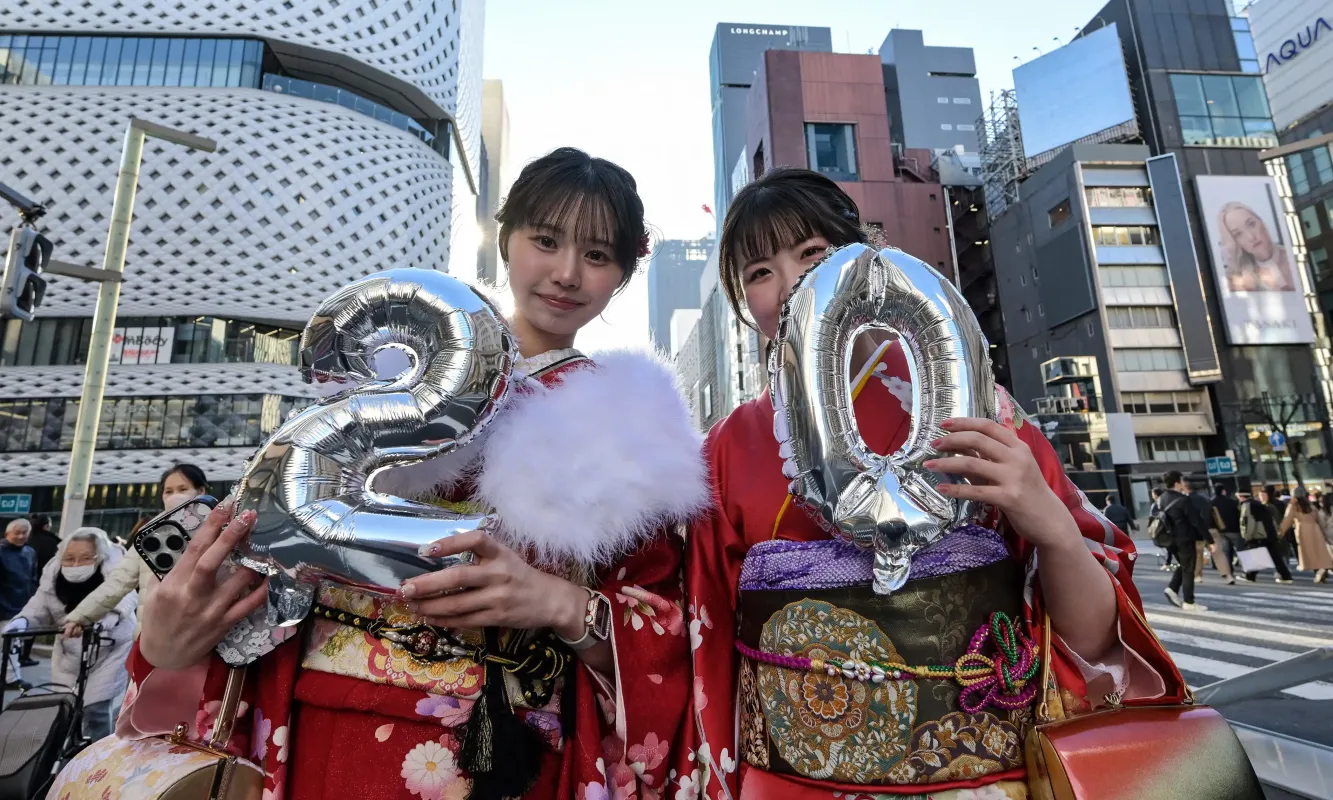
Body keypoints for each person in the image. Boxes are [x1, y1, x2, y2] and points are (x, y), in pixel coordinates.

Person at [114, 148, 705, 800]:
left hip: (500, 742)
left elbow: (665, 616)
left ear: (623, 273)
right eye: (545, 241)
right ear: (504, 237)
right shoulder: (390, 373)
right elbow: (271, 543)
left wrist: (565, 605)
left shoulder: (632, 425)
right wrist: (172, 637)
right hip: (323, 719)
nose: (566, 273)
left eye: (597, 256)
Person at [684, 168, 1184, 800]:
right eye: (760, 273)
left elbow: (1091, 641)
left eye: (814, 253)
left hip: (973, 779)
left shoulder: (981, 409)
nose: (792, 286)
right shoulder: (726, 448)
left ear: (866, 258)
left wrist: (1051, 528)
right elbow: (705, 640)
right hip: (792, 783)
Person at [0, 528, 136, 740]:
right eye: (70, 558)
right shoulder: (54, 572)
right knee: (65, 708)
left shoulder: (115, 565)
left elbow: (124, 595)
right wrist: (23, 621)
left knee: (96, 709)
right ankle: (67, 756)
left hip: (110, 646)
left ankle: (95, 759)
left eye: (84, 558)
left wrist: (110, 618)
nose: (75, 565)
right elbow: (41, 604)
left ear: (99, 556)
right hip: (69, 648)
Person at [63, 464, 208, 639]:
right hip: (152, 637)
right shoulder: (148, 534)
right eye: (168, 491)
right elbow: (119, 581)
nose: (175, 496)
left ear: (201, 491)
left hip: (202, 635)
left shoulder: (218, 528)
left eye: (183, 489)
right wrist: (80, 617)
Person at [1218, 201, 1296, 292]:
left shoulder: (1296, 256)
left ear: (1261, 222)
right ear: (1235, 242)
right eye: (1238, 234)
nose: (1251, 237)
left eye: (1251, 224)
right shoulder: (1239, 280)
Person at [1160, 472, 1210, 610]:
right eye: (1181, 481)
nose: (1183, 484)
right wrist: (1209, 540)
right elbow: (1196, 521)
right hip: (1185, 538)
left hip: (1169, 539)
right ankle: (1189, 601)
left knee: (1184, 565)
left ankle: (1172, 588)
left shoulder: (1162, 498)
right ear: (1177, 483)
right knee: (1189, 568)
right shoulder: (1183, 500)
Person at [19, 513, 61, 666]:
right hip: (42, 588)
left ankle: (15, 654)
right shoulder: (53, 543)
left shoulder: (25, 542)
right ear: (46, 526)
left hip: (22, 588)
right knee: (34, 620)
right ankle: (24, 655)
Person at [1279, 489, 1333, 583]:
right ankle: (1321, 570)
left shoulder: (1293, 506)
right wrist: (1322, 531)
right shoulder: (1310, 505)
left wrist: (1280, 532)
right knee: (1318, 552)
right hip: (1315, 529)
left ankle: (1319, 571)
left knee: (1309, 554)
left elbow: (1287, 519)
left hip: (1303, 531)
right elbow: (1318, 518)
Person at [1240, 491, 1294, 583]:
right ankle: (1286, 576)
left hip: (1259, 533)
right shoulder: (1260, 505)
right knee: (1274, 556)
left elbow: (1248, 522)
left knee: (1256, 554)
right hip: (1269, 532)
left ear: (1240, 496)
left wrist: (1247, 536)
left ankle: (1249, 576)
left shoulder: (1247, 505)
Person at [1191, 483, 1234, 585]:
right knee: (1218, 553)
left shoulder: (1187, 501)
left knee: (1198, 554)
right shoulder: (1207, 500)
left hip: (1197, 531)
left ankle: (1198, 576)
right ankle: (1228, 575)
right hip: (1212, 529)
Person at [1211, 484, 1246, 583]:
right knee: (1241, 550)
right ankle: (1246, 571)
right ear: (1223, 491)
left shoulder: (1211, 502)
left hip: (1221, 531)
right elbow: (1238, 514)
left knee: (1226, 552)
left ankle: (1229, 571)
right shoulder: (1232, 502)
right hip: (1234, 529)